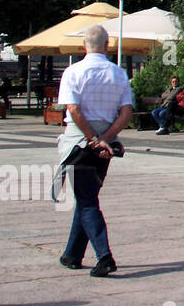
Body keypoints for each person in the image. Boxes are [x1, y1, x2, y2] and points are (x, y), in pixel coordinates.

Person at [56, 24, 132, 277]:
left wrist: (91, 138)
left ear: (83, 46)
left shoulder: (72, 72)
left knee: (87, 200)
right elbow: (126, 113)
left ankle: (105, 257)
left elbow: (74, 110)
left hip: (79, 142)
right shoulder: (119, 74)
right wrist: (105, 139)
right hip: (104, 146)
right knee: (87, 196)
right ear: (107, 45)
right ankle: (72, 254)